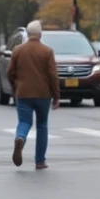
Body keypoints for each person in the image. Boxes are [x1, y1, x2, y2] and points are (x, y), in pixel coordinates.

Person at [7, 20, 60, 170]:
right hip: (43, 94)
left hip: (23, 93)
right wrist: (56, 96)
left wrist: (15, 86)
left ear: (28, 34)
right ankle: (40, 161)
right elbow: (53, 75)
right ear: (40, 34)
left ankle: (20, 138)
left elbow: (10, 72)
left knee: (24, 122)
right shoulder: (47, 51)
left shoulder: (17, 50)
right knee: (42, 126)